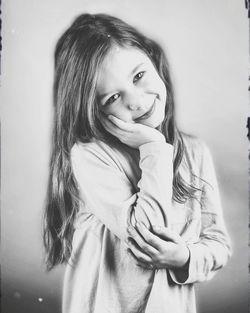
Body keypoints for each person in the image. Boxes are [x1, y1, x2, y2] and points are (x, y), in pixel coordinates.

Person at [43, 13, 231, 313]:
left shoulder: (195, 153)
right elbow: (148, 234)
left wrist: (184, 258)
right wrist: (153, 146)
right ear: (93, 111)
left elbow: (218, 243)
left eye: (139, 76)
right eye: (113, 97)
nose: (137, 102)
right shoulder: (90, 155)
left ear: (153, 60)